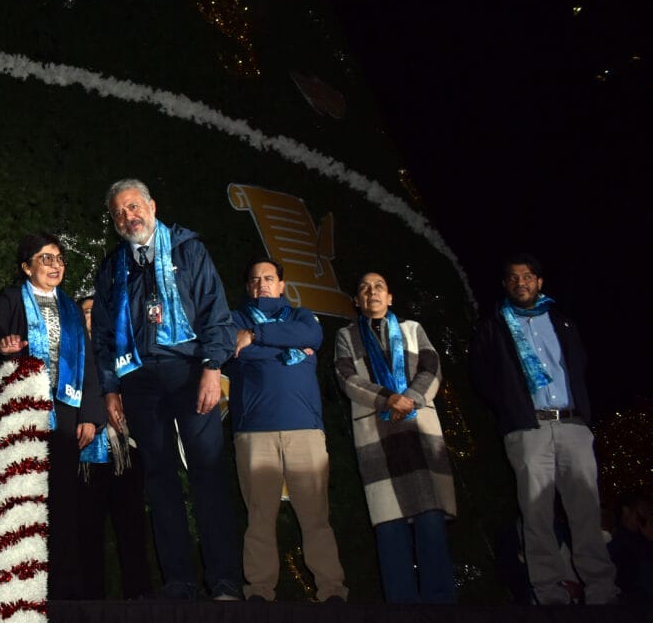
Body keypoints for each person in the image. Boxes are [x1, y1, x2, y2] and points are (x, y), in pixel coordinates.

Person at [91, 179, 242, 601]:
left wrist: (212, 366)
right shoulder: (113, 267)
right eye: (119, 213)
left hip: (190, 370)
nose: (128, 217)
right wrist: (110, 389)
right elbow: (102, 334)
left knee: (207, 473)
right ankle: (179, 582)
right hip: (138, 379)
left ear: (152, 206)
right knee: (159, 480)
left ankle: (224, 581)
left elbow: (215, 311)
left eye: (133, 207)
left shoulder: (188, 249)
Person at [469, 252, 618, 604]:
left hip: (572, 425)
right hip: (528, 429)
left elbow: (579, 363)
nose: (521, 282)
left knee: (585, 511)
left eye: (528, 276)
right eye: (514, 277)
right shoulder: (493, 327)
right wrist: (511, 409)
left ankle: (601, 590)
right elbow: (482, 375)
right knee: (536, 514)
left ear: (539, 282)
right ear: (505, 285)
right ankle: (549, 593)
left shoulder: (561, 321)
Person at [0, 233, 106, 601]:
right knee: (21, 497)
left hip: (65, 410)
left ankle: (63, 588)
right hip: (22, 407)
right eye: (46, 258)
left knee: (64, 499)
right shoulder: (11, 298)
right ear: (26, 267)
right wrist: (2, 344)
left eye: (60, 258)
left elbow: (87, 363)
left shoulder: (70, 308)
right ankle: (19, 587)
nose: (55, 265)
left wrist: (90, 414)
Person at [229, 257, 347, 603]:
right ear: (248, 287)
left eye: (269, 278)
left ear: (281, 285)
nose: (262, 284)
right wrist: (290, 349)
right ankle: (259, 591)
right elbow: (234, 351)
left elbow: (312, 336)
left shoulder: (301, 316)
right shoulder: (235, 319)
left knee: (315, 517)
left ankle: (332, 590)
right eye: (255, 279)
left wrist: (257, 337)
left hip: (305, 429)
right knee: (259, 518)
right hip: (254, 430)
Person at [334, 271, 456, 603]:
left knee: (430, 518)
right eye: (364, 288)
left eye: (379, 287)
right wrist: (388, 399)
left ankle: (441, 606)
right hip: (377, 432)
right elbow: (346, 378)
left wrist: (410, 400)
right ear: (356, 300)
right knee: (389, 524)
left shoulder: (413, 329)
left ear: (390, 297)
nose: (371, 292)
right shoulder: (347, 336)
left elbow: (432, 369)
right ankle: (401, 608)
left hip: (418, 430)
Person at [75, 294, 153, 600]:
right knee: (87, 531)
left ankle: (139, 596)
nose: (91, 318)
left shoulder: (124, 352)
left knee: (131, 526)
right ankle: (90, 601)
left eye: (96, 312)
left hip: (124, 449)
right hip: (85, 453)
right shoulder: (71, 356)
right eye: (85, 312)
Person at [609, 493, 653, 603]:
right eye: (643, 511)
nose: (647, 517)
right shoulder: (621, 542)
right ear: (626, 511)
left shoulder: (640, 539)